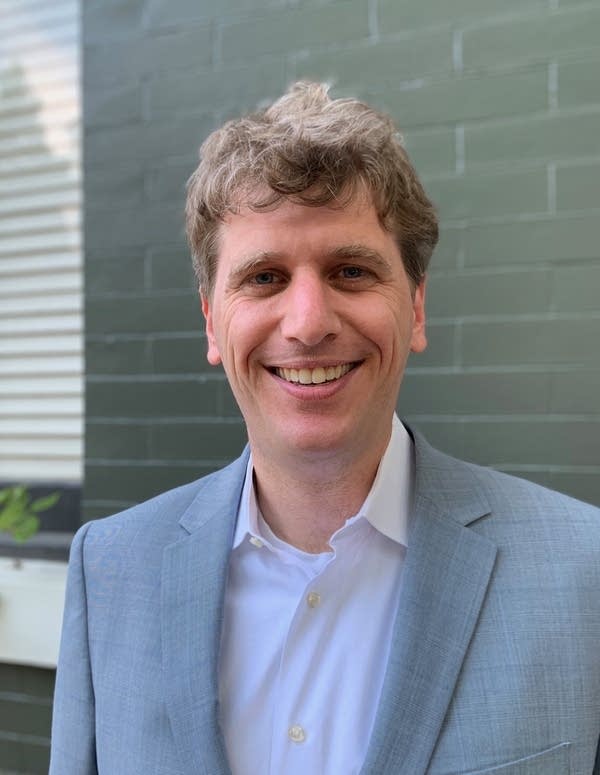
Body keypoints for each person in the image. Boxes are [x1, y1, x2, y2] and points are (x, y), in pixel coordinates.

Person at [50, 82, 600, 775]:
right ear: (212, 323)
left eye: (350, 269)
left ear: (417, 307)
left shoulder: (587, 573)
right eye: (264, 277)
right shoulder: (109, 571)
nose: (308, 322)